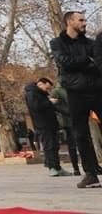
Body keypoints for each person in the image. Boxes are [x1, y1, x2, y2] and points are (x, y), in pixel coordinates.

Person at [51, 10, 102, 189]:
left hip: (97, 90)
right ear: (69, 22)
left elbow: (98, 63)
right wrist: (87, 62)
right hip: (75, 92)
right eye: (81, 20)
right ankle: (90, 173)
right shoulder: (57, 43)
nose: (84, 23)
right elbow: (64, 62)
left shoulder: (91, 43)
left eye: (85, 20)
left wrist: (85, 63)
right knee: (80, 134)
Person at [25, 77, 69, 177]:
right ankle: (51, 167)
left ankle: (58, 167)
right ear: (41, 84)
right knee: (49, 146)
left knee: (55, 146)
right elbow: (35, 107)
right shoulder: (31, 93)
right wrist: (49, 102)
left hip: (51, 123)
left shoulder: (42, 94)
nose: (47, 90)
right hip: (43, 124)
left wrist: (68, 112)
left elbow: (53, 107)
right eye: (47, 87)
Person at [50, 85, 81, 175]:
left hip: (80, 118)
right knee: (73, 145)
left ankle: (92, 166)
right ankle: (76, 168)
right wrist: (67, 111)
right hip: (68, 121)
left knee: (85, 142)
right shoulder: (57, 91)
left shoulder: (75, 87)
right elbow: (53, 105)